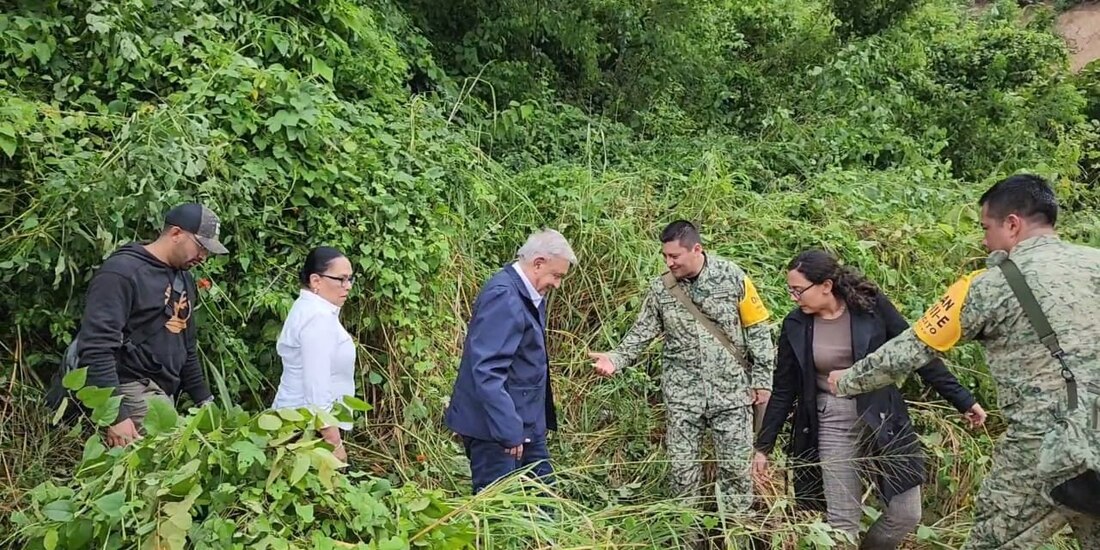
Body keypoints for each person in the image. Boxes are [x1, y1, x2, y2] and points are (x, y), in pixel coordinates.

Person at [829, 174, 1100, 549]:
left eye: (986, 228)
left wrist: (848, 380)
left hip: (1039, 447)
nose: (984, 240)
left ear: (1012, 224)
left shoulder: (989, 284)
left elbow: (913, 348)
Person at [752, 249, 987, 549]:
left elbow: (916, 352)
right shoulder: (795, 324)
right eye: (791, 291)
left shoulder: (870, 308)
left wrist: (963, 399)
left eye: (799, 290)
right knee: (842, 524)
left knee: (906, 513)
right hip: (831, 421)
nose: (794, 297)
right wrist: (763, 447)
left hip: (882, 415)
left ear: (826, 286)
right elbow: (784, 389)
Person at [589, 220, 775, 513]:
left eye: (674, 256)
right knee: (682, 472)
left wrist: (762, 380)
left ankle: (736, 530)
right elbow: (642, 332)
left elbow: (758, 330)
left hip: (731, 394)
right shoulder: (662, 289)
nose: (669, 262)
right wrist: (616, 359)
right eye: (665, 256)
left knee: (736, 472)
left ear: (696, 249)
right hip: (683, 397)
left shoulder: (732, 277)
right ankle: (685, 530)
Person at [76, 202, 227, 448]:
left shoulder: (185, 280)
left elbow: (187, 348)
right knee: (175, 453)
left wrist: (205, 402)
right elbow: (96, 346)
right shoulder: (122, 273)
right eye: (201, 247)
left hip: (163, 392)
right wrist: (116, 415)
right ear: (176, 233)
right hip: (129, 385)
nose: (203, 257)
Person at [444, 229, 576, 493]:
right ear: (538, 263)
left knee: (543, 500)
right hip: (496, 431)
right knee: (498, 507)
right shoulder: (504, 296)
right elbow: (487, 370)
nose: (557, 285)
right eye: (556, 276)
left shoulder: (526, 293)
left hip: (523, 425)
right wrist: (509, 431)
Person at [272, 247, 357, 464]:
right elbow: (317, 388)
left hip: (300, 422)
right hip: (306, 428)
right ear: (315, 280)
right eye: (341, 279)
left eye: (350, 279)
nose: (347, 286)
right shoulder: (318, 318)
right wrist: (335, 443)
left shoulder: (310, 309)